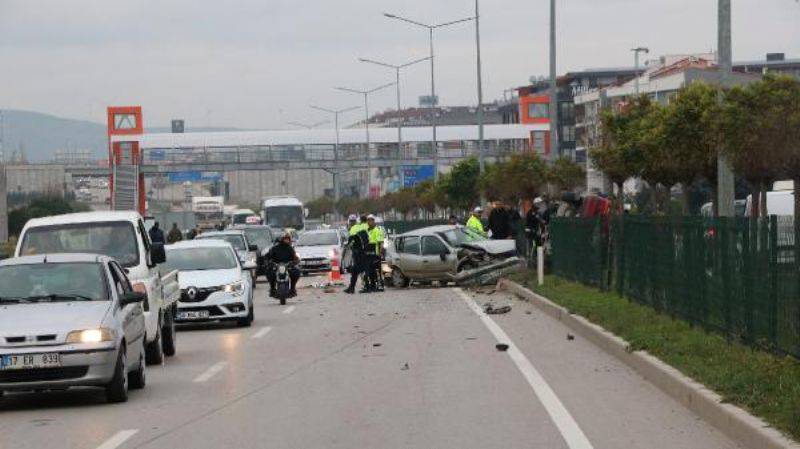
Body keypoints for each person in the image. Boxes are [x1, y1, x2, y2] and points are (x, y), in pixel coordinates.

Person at [265, 231, 300, 298]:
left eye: (288, 239)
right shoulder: (274, 248)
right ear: (281, 239)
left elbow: (295, 257)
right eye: (285, 239)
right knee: (269, 272)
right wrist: (268, 261)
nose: (287, 240)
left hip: (288, 266)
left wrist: (295, 261)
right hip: (276, 266)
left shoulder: (290, 248)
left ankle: (292, 288)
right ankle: (272, 289)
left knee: (296, 272)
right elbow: (267, 256)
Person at [344, 216, 370, 294]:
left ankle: (366, 287)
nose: (351, 223)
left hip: (358, 253)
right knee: (356, 271)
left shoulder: (353, 229)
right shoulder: (361, 227)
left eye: (352, 221)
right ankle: (351, 288)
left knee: (361, 270)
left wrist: (347, 246)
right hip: (364, 252)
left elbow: (351, 242)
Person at [365, 215, 385, 292]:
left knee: (377, 271)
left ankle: (379, 285)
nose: (369, 222)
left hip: (376, 254)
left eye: (371, 220)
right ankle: (372, 285)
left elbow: (381, 243)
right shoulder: (368, 231)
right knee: (370, 272)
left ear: (374, 221)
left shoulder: (377, 230)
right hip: (368, 254)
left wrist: (379, 254)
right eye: (368, 221)